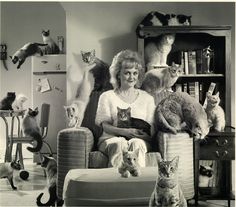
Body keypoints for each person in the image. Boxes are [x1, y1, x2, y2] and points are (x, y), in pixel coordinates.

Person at [95, 49, 156, 167]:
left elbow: (152, 128)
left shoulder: (147, 98)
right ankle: (116, 182)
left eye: (135, 73)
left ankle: (137, 182)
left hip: (140, 139)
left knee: (137, 144)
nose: (131, 77)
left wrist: (146, 136)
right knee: (119, 144)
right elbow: (105, 126)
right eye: (127, 73)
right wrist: (125, 132)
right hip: (111, 139)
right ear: (118, 73)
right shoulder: (107, 96)